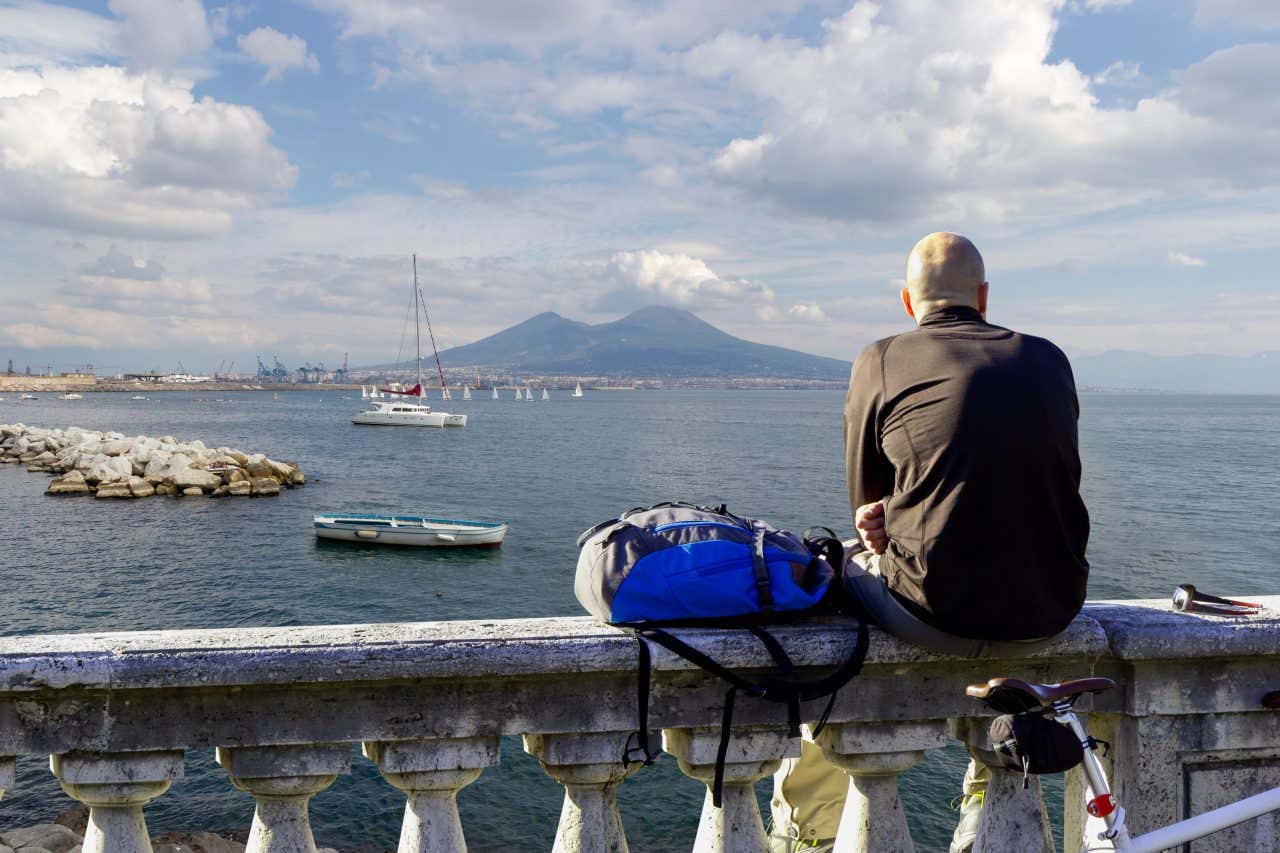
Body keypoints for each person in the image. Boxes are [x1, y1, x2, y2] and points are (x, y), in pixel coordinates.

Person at [768, 232, 1090, 853]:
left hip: (932, 612)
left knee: (828, 578)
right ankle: (983, 783)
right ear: (984, 297)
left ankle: (809, 823)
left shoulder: (881, 358)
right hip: (1052, 609)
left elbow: (864, 501)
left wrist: (886, 517)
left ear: (908, 303)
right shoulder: (1050, 358)